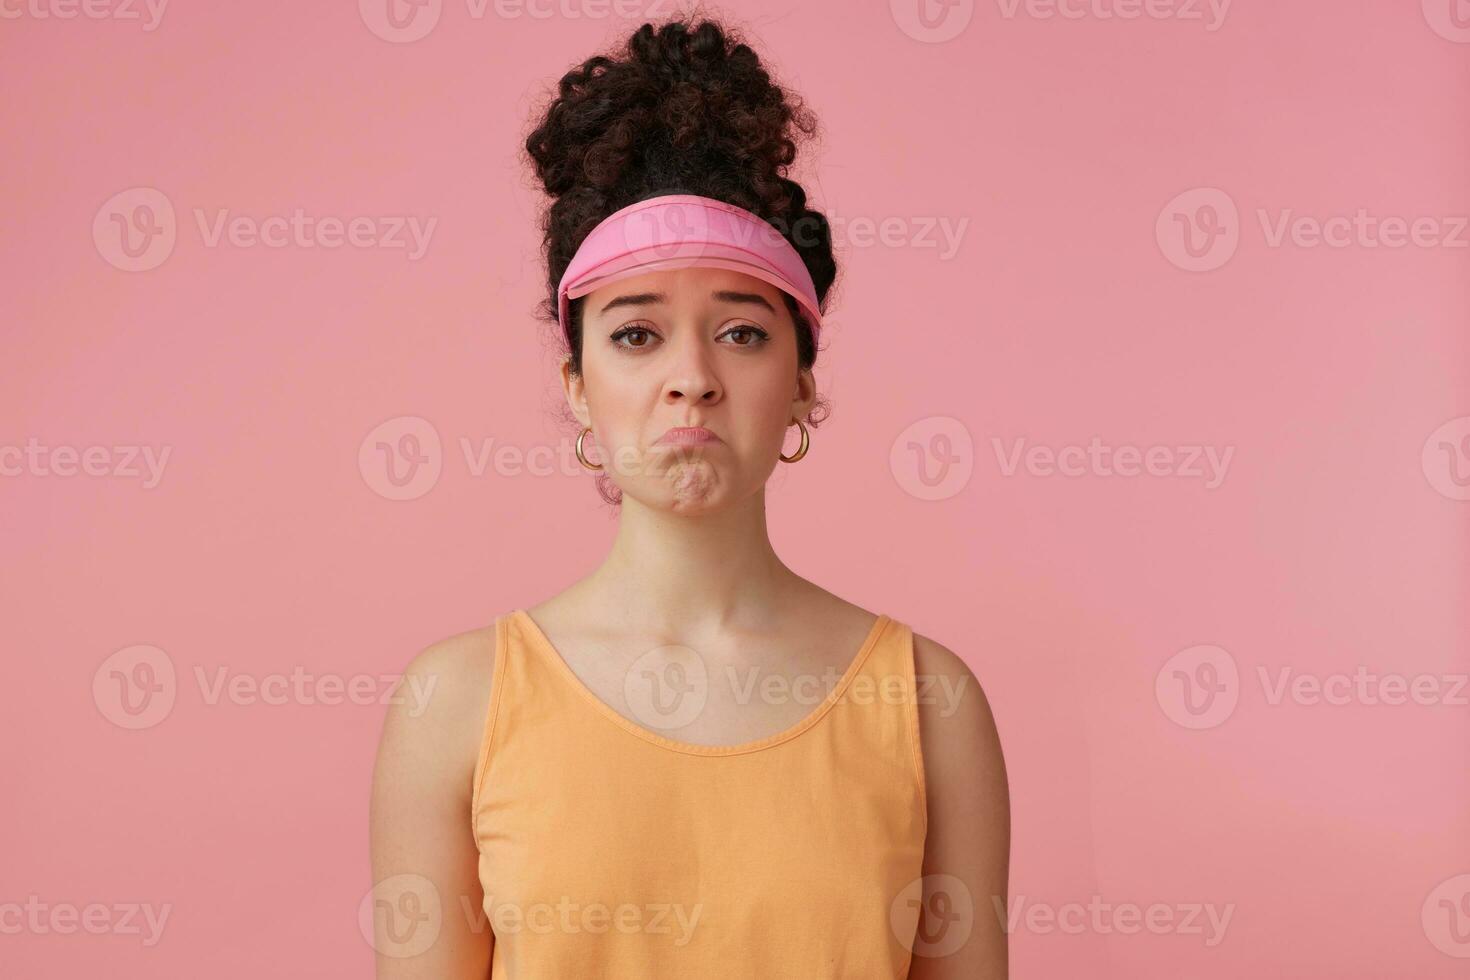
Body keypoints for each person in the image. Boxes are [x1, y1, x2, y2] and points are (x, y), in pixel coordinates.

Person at [369, 15, 1009, 978]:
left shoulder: (928, 702)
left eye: (743, 333)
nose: (693, 379)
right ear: (577, 384)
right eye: (636, 335)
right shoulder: (453, 701)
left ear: (802, 381)